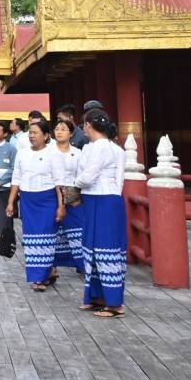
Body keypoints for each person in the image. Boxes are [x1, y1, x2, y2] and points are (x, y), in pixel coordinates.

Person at [75, 109, 127, 317]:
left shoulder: (98, 147)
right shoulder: (116, 149)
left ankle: (114, 303)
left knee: (104, 248)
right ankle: (99, 296)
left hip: (99, 199)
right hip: (110, 198)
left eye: (84, 124)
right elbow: (120, 180)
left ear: (88, 124)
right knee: (100, 247)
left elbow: (87, 177)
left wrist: (74, 184)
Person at [6, 118, 63, 291]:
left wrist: (61, 206)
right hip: (28, 201)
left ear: (46, 136)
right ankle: (38, 276)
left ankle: (45, 274)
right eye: (30, 133)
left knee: (46, 238)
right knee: (31, 240)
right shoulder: (22, 153)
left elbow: (59, 182)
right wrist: (11, 202)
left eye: (36, 133)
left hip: (48, 200)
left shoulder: (53, 153)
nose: (32, 136)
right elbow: (16, 178)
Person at [52, 117, 86, 276]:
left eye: (63, 129)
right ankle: (52, 266)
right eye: (57, 129)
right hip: (52, 193)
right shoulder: (49, 151)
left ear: (71, 133)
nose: (59, 132)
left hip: (72, 194)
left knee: (77, 231)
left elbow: (81, 176)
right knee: (53, 232)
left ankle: (82, 263)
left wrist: (74, 196)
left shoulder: (78, 153)